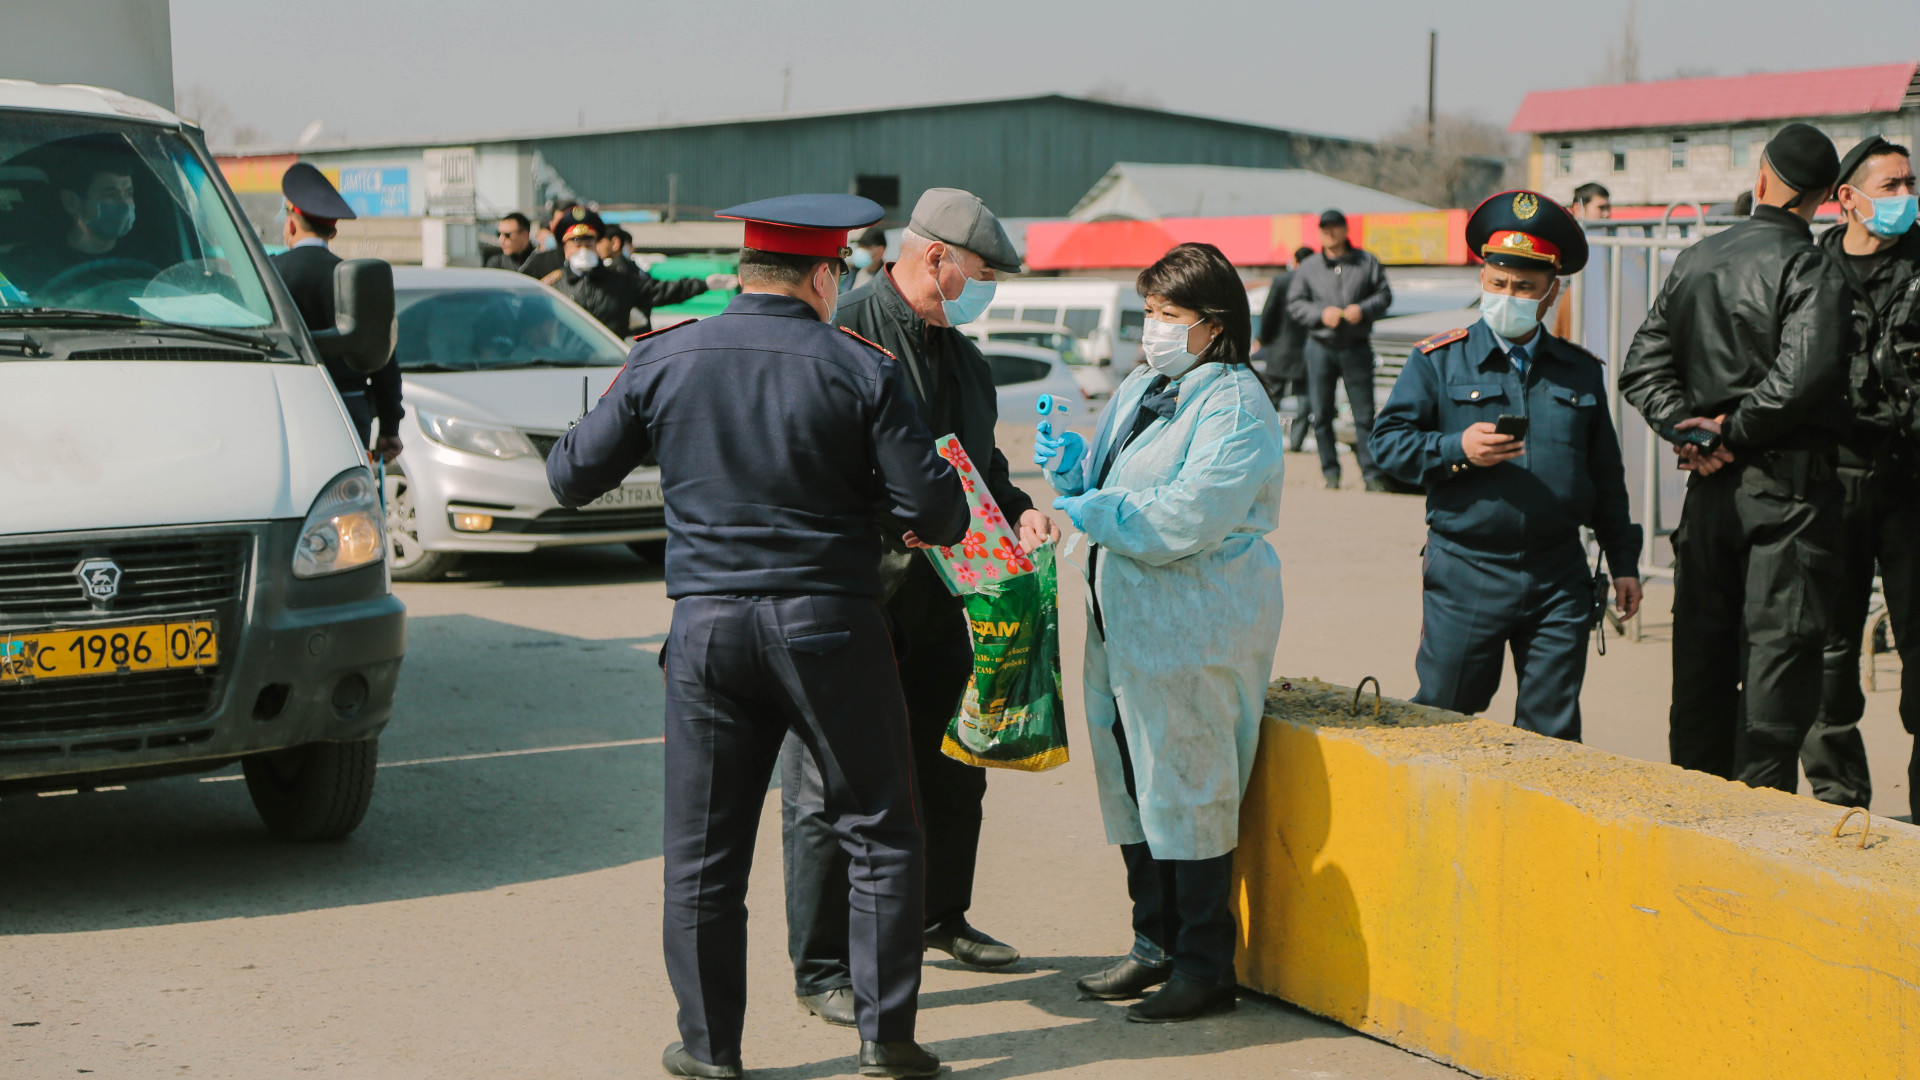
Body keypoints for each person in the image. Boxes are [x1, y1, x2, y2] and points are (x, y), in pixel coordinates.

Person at [546, 193, 966, 1080]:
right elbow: (938, 510)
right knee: (882, 832)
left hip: (706, 632)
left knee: (704, 854)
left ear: (746, 273)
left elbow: (571, 475)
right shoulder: (861, 365)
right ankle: (885, 1043)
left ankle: (711, 1052)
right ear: (823, 275)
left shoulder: (665, 354)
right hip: (831, 625)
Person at [779, 187, 1055, 1029]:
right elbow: (814, 456)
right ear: (934, 256)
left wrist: (1019, 509)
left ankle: (942, 915)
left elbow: (981, 466)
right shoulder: (847, 331)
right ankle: (821, 965)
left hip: (950, 594)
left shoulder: (964, 358)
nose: (982, 288)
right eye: (976, 272)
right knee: (832, 784)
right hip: (861, 590)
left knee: (951, 763)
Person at [1035, 242, 1284, 1022]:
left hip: (1193, 622)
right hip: (1125, 616)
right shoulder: (1147, 384)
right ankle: (1154, 943)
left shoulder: (1236, 404)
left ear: (1215, 325)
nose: (1153, 330)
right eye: (1149, 313)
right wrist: (1078, 474)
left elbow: (1190, 514)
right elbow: (1119, 484)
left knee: (1189, 783)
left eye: (1170, 316)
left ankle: (1206, 963)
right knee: (1132, 781)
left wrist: (1092, 511)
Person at [1620, 123, 1850, 791]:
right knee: (1777, 679)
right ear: (1827, 198)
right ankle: (1759, 837)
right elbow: (1803, 374)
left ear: (1761, 178)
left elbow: (1641, 366)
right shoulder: (1810, 267)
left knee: (1700, 664)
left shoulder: (1697, 257)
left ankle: (1693, 824)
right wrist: (1732, 432)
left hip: (1711, 497)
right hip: (1786, 500)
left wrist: (1693, 435)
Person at [1372, 191, 1643, 740]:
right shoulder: (1439, 359)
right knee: (1441, 716)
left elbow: (1605, 478)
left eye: (1524, 287)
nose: (1509, 296)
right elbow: (1386, 447)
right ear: (1482, 280)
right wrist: (1455, 450)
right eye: (1498, 284)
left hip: (1559, 576)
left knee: (1552, 732)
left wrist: (1624, 562)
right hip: (1467, 568)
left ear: (1551, 291)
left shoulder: (1578, 372)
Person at [1799, 136, 1920, 814]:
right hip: (1833, 481)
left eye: (1910, 184)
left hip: (1913, 480)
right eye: (1893, 186)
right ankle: (1839, 800)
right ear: (1847, 197)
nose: (1906, 197)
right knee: (1828, 645)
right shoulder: (1810, 272)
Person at [271, 162, 403, 461]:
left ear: (291, 224)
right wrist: (390, 427)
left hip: (286, 405)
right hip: (349, 406)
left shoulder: (268, 275)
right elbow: (383, 355)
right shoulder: (360, 279)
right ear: (333, 231)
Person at [1287, 209, 1393, 491]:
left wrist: (1364, 309)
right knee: (1321, 413)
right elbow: (1295, 303)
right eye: (1324, 228)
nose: (1329, 232)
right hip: (1320, 347)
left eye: (1335, 227)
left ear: (1346, 230)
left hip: (1355, 346)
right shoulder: (1308, 267)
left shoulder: (1366, 262)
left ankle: (1371, 475)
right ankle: (1331, 473)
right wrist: (1321, 314)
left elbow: (1384, 295)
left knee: (1364, 415)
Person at [550, 215, 722, 337]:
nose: (584, 251)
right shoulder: (552, 287)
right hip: (565, 365)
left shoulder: (619, 281)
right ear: (565, 248)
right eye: (577, 245)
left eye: (589, 244)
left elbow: (660, 290)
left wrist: (704, 284)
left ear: (596, 246)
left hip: (609, 365)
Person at [1255, 245, 1315, 451]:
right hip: (1308, 350)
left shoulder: (1281, 281)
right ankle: (1297, 442)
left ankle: (1266, 440)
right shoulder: (1317, 282)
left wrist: (1263, 339)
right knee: (1305, 398)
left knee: (1273, 397)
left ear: (1295, 261)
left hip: (1280, 348)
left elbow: (1268, 312)